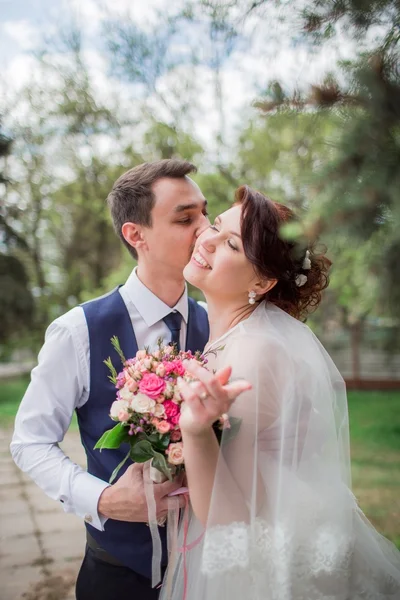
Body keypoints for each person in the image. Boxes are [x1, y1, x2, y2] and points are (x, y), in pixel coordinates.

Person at [10, 159, 247, 600]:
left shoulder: (219, 326)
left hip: (212, 570)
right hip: (119, 575)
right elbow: (29, 442)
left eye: (204, 214)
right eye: (184, 218)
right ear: (136, 235)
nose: (205, 232)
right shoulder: (78, 330)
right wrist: (101, 500)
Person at [160, 185, 400, 599]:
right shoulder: (233, 336)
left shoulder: (257, 353)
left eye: (231, 243)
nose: (207, 240)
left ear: (263, 280)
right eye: (216, 226)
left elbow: (231, 522)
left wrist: (196, 432)